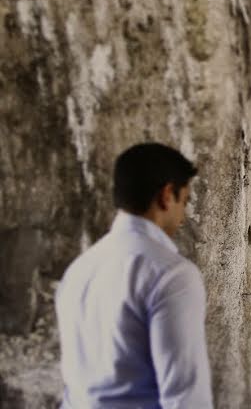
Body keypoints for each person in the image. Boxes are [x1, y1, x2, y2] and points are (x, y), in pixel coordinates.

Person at [55, 143, 213, 408]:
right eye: (183, 201)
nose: (183, 216)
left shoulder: (79, 270)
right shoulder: (171, 275)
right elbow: (186, 396)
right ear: (166, 196)